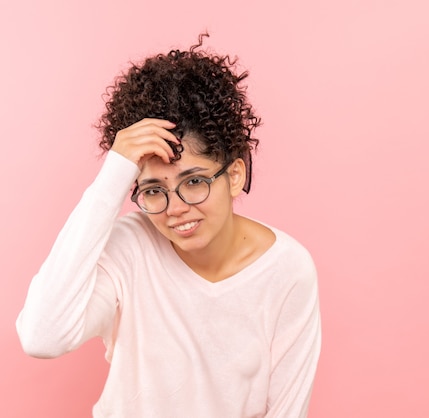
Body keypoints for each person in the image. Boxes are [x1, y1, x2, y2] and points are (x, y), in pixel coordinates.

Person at [16, 33, 321, 418]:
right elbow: (42, 335)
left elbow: (287, 411)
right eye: (154, 189)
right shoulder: (129, 247)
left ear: (234, 174)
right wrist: (116, 169)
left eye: (194, 182)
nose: (175, 209)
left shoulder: (287, 270)